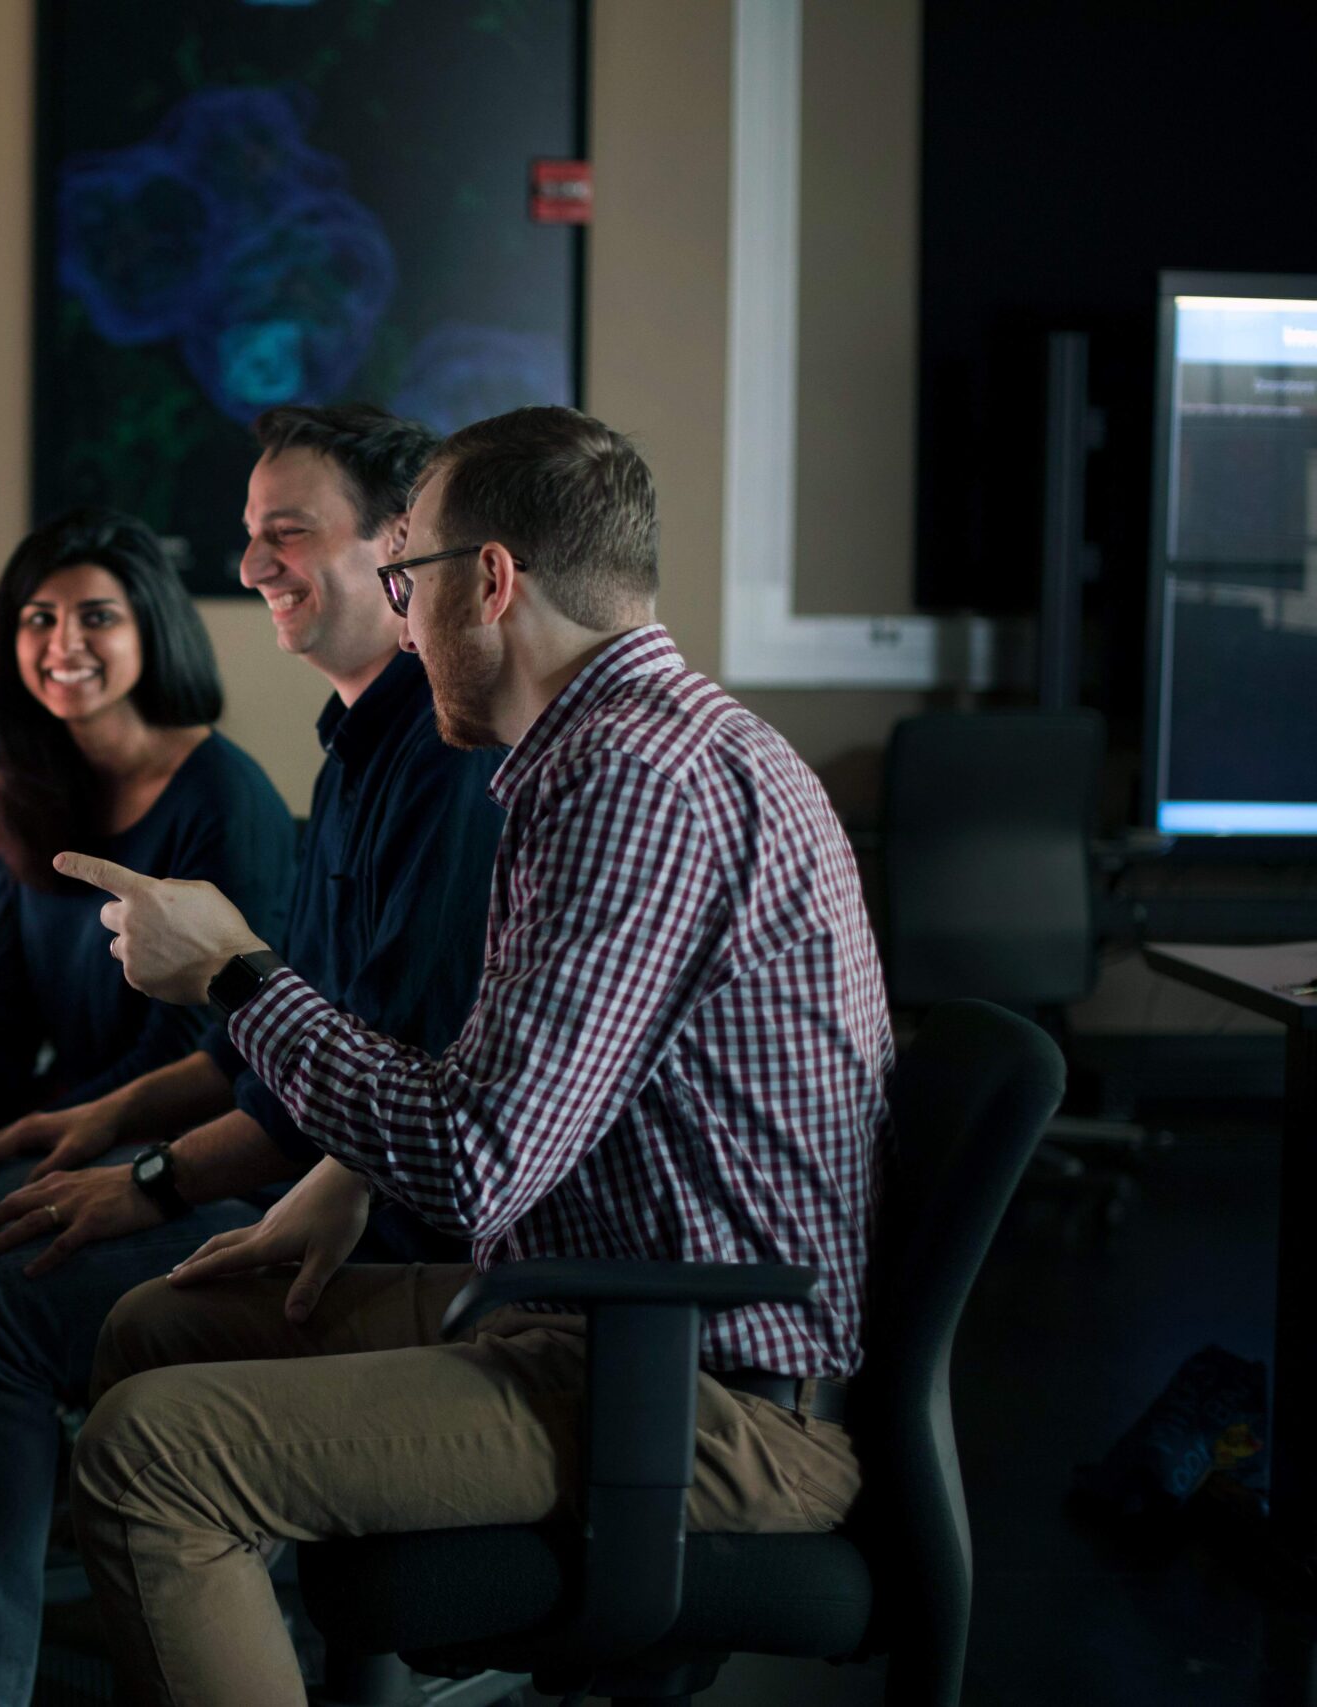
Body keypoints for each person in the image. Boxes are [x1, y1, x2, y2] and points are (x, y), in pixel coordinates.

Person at [54, 406, 893, 1707]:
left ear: (488, 580)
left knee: (147, 1455)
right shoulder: (622, 747)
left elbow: (471, 1159)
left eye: (406, 580)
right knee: (160, 1325)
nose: (403, 624)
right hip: (595, 1318)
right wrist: (338, 1177)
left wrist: (235, 973)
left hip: (705, 1398)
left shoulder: (630, 779)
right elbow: (516, 1093)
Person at [0, 406, 509, 1707]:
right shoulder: (354, 752)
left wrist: (150, 1176)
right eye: (250, 534)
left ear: (402, 546)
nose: (256, 563)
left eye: (289, 533)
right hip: (310, 1179)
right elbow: (282, 1047)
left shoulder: (436, 764)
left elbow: (369, 1088)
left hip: (381, 1233)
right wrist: (103, 1131)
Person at [0, 507, 296, 1168]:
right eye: (39, 619)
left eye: (98, 617)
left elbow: (188, 1057)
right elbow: (3, 1016)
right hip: (63, 1109)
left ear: (150, 630)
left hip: (169, 1147)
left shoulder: (226, 801)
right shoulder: (21, 791)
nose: (64, 645)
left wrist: (17, 1140)